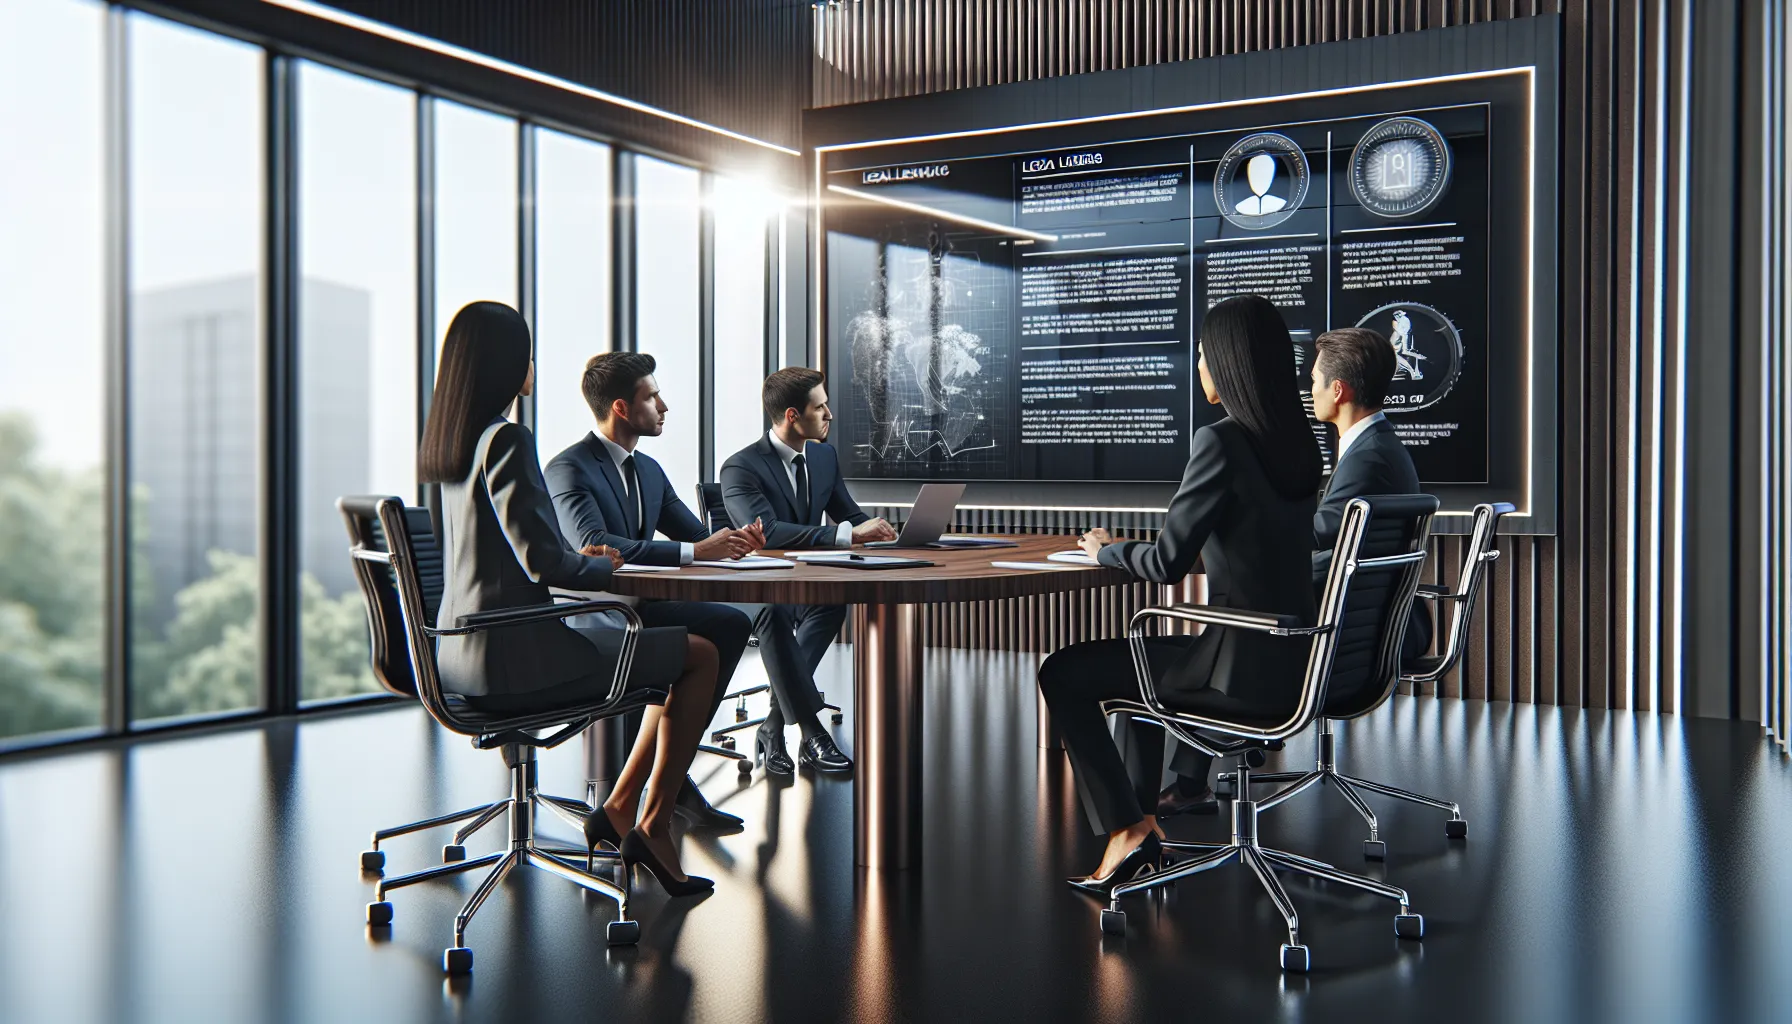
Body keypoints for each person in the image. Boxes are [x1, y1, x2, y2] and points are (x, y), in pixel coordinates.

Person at [419, 301, 713, 896]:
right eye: (526, 353)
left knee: (670, 645)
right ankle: (649, 823)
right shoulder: (506, 440)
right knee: (700, 654)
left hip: (451, 655)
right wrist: (599, 564)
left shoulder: (452, 448)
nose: (532, 365)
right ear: (507, 365)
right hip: (516, 656)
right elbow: (544, 561)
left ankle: (625, 804)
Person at [1036, 294, 1323, 894]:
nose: (1198, 368)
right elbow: (1246, 540)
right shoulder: (1300, 443)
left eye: (1201, 356)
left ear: (1229, 363)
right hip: (1294, 659)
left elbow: (1167, 564)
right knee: (1138, 674)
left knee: (1063, 671)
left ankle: (1124, 829)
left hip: (1236, 670)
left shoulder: (1221, 441)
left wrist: (1105, 551)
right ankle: (1141, 828)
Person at [1152, 324, 1437, 818]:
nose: (1308, 391)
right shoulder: (1380, 448)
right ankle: (1215, 759)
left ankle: (1199, 773)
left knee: (1243, 617)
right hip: (1373, 622)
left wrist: (1247, 556)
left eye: (1313, 382)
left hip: (1347, 630)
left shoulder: (1368, 459)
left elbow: (1319, 539)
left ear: (1338, 391)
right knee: (1245, 615)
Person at [544, 352, 762, 830]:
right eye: (652, 395)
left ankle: (674, 773)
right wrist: (695, 551)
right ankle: (671, 779)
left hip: (642, 606)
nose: (664, 406)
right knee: (719, 630)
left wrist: (738, 541)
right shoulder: (569, 469)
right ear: (621, 408)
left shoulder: (649, 472)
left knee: (730, 623)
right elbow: (594, 545)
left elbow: (691, 533)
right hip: (596, 614)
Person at [718, 367, 897, 774]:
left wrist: (884, 531)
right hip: (751, 592)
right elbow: (771, 534)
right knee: (776, 611)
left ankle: (774, 723)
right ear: (792, 416)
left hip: (801, 585)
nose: (829, 414)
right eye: (821, 407)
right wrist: (848, 537)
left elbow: (847, 515)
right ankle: (813, 731)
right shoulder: (740, 468)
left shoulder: (822, 456)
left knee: (831, 603)